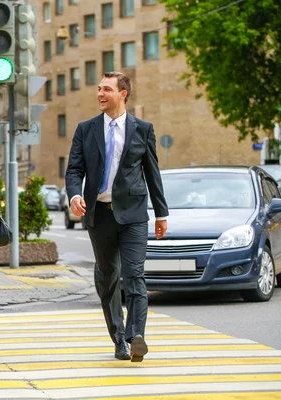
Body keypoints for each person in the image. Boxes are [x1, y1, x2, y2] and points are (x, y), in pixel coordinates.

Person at [65, 72, 169, 363]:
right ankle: (118, 338)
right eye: (99, 88)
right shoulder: (86, 129)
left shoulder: (142, 129)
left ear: (123, 94)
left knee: (134, 274)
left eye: (107, 89)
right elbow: (74, 169)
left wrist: (161, 212)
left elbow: (152, 172)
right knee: (108, 278)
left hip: (134, 215)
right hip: (99, 214)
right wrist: (75, 195)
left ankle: (137, 336)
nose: (100, 93)